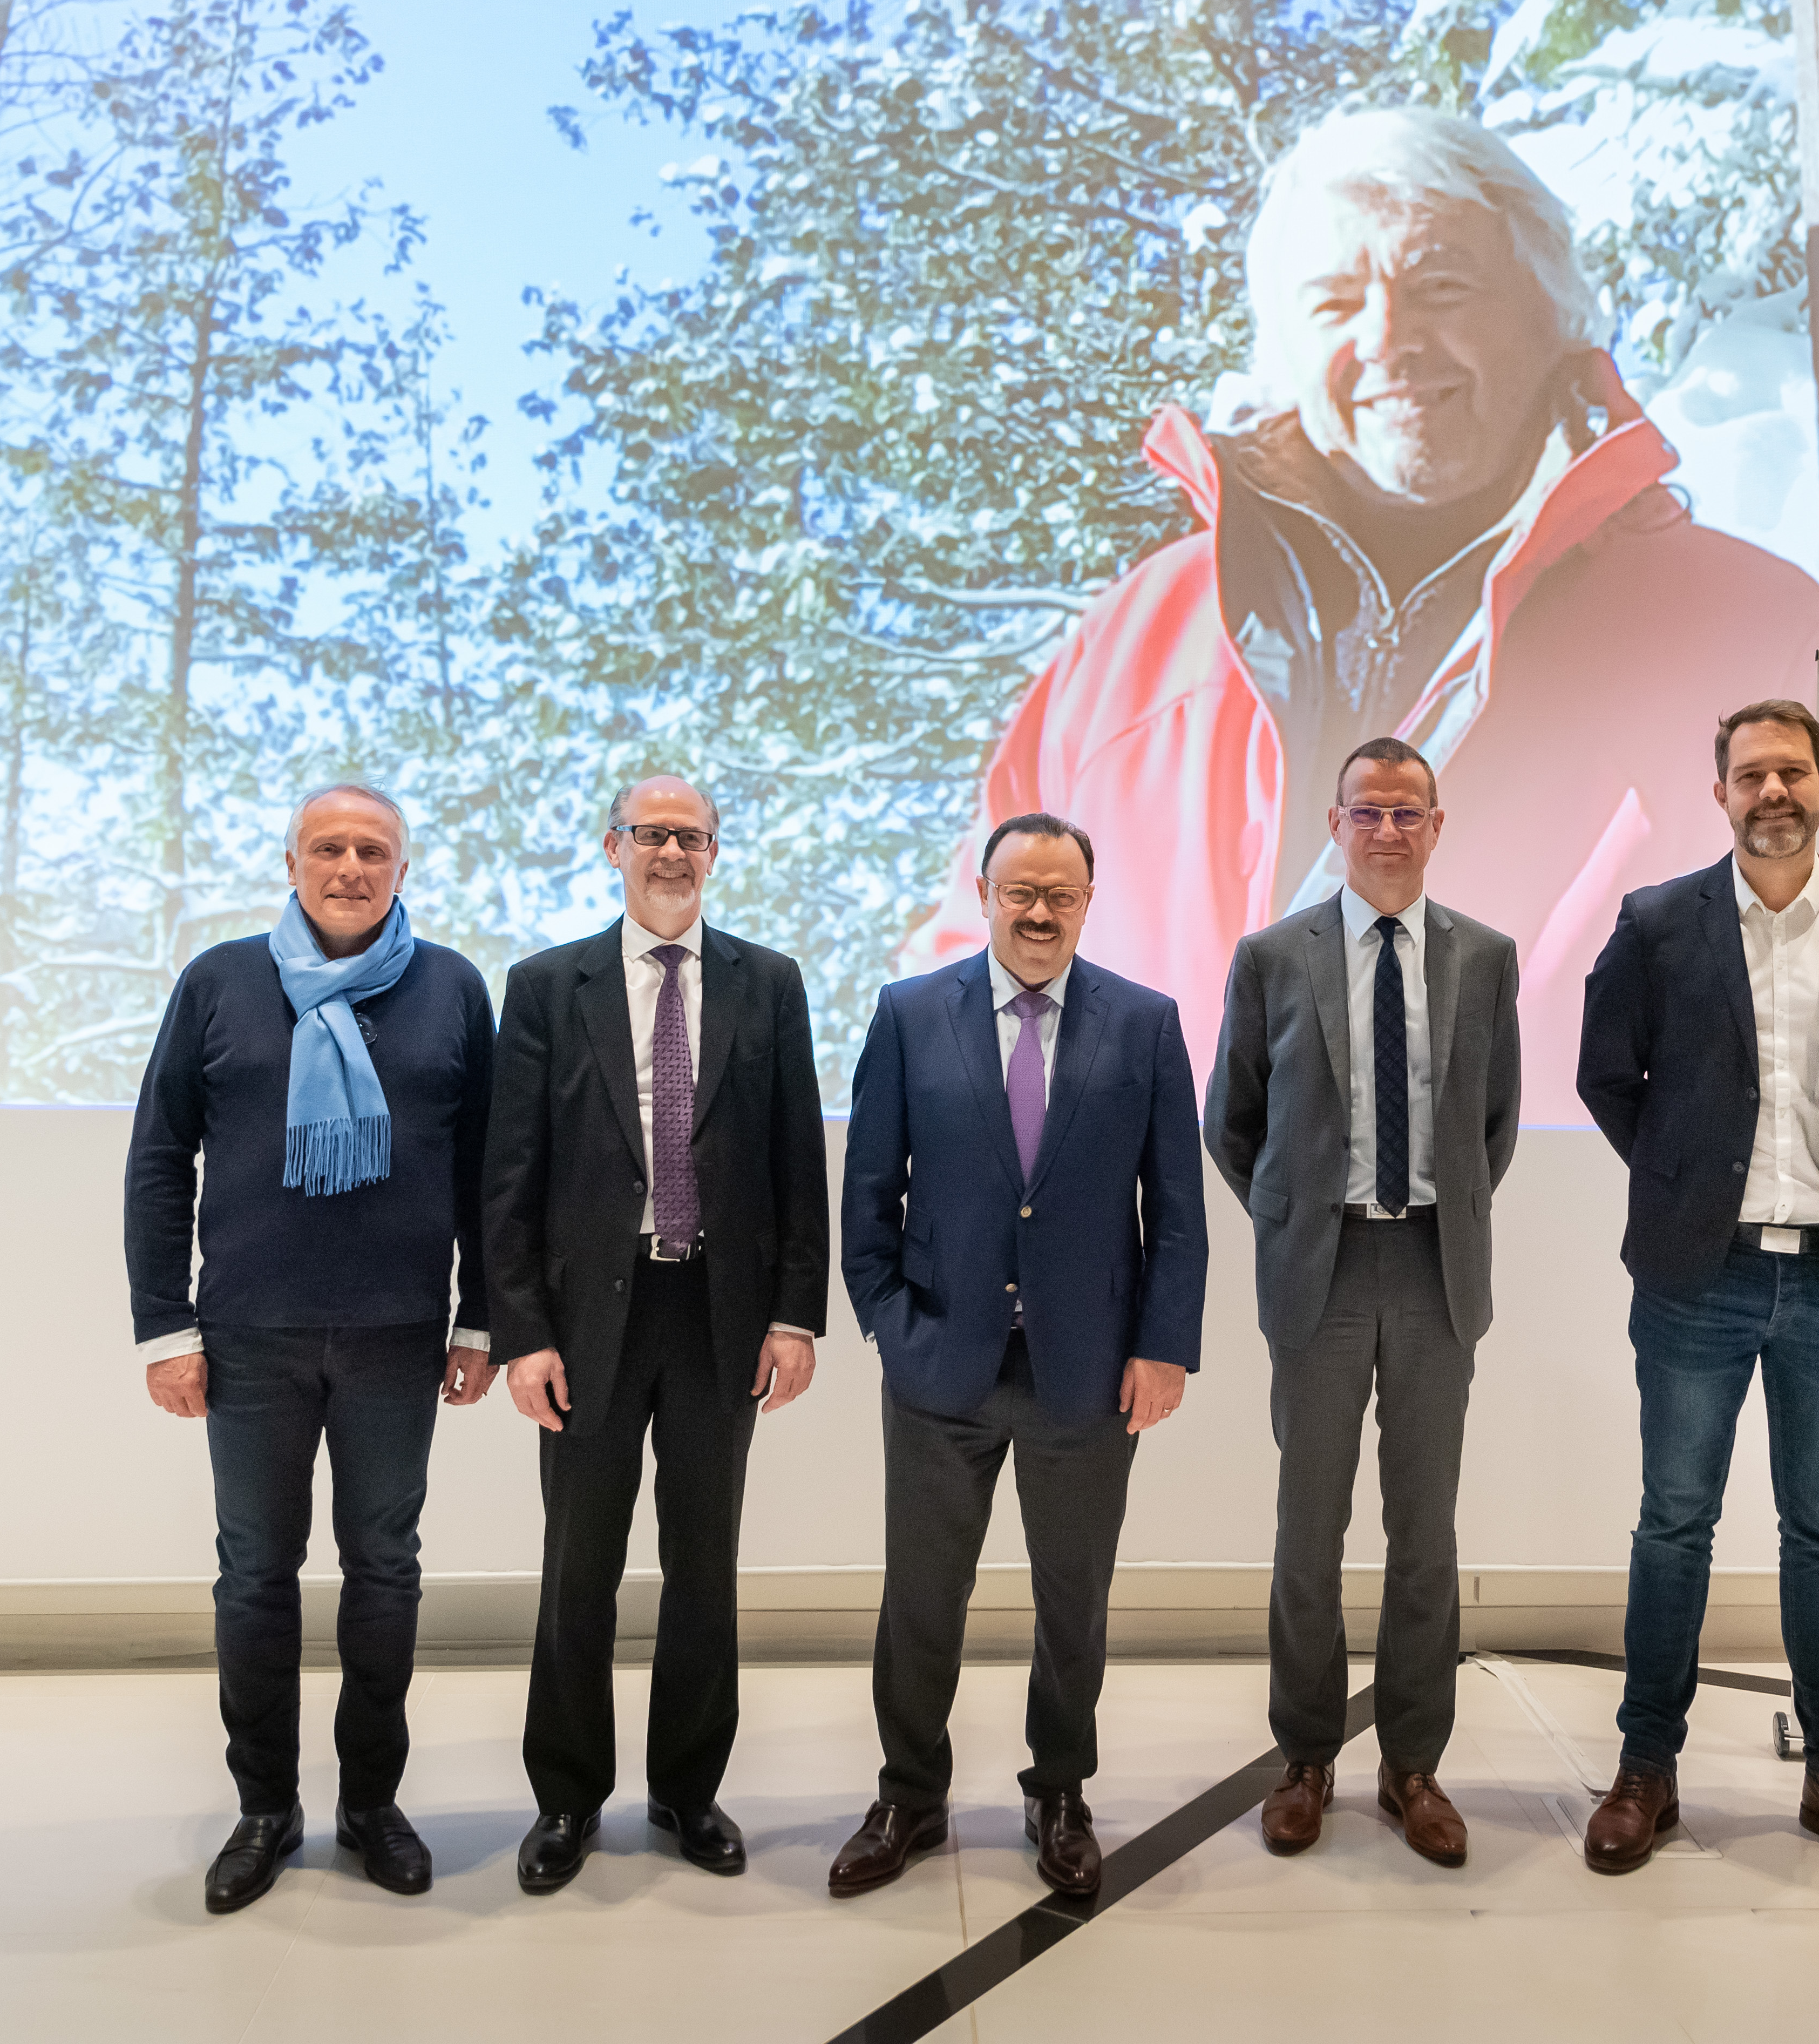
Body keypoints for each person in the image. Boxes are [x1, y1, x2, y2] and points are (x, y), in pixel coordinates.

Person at [905, 105, 1819, 1125]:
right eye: (1334, 303)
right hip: (1159, 1215)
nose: (1389, 339)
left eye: (1442, 287)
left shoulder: (1751, 635)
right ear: (1284, 352)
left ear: (1555, 320)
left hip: (1556, 1215)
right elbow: (972, 985)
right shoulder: (1137, 641)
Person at [1576, 699, 1819, 1887]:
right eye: (1751, 775)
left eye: (1792, 770)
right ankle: (1646, 1769)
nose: (1773, 792)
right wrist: (1688, 1181)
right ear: (1721, 795)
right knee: (1674, 1523)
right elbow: (1606, 1076)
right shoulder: (1655, 922)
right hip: (1699, 1275)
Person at [127, 783, 498, 1916]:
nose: (350, 867)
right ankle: (266, 1807)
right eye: (327, 848)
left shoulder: (451, 987)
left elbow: (488, 1170)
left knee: (385, 1569)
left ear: (401, 871)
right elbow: (159, 1158)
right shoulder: (220, 983)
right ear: (289, 863)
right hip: (249, 1336)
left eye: (373, 850)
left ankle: (373, 1805)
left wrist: (481, 1318)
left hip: (397, 1335)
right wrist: (166, 1327)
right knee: (255, 1575)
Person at [830, 812, 1207, 1899]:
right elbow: (868, 1193)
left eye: (1061, 895)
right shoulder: (911, 1014)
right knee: (921, 1596)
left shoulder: (1145, 1022)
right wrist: (893, 1326)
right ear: (986, 894)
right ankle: (909, 1791)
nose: (1040, 913)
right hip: (940, 1364)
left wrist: (1164, 1347)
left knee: (1072, 1600)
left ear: (1088, 902)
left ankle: (1060, 1789)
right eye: (1020, 893)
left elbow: (1175, 1208)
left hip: (1086, 1370)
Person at [484, 775, 827, 1893]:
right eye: (651, 834)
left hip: (718, 1315)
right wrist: (522, 1332)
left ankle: (688, 1789)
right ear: (613, 847)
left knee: (704, 1564)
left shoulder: (768, 982)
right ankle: (567, 1797)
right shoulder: (547, 986)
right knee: (577, 1568)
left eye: (691, 836)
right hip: (589, 1319)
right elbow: (510, 1174)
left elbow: (797, 1159)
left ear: (715, 853)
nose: (671, 852)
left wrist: (794, 1314)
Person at [1204, 738, 1521, 1868]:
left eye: (1407, 812)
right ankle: (1304, 1757)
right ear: (1334, 825)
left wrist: (1440, 1213)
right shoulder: (1271, 957)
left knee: (1424, 1532)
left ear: (1436, 825)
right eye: (1367, 811)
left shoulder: (1485, 957)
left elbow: (1495, 1125)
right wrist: (1295, 1220)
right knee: (1309, 1530)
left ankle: (1413, 1763)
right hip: (1321, 1272)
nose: (1388, 830)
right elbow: (1231, 1121)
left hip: (1436, 1270)